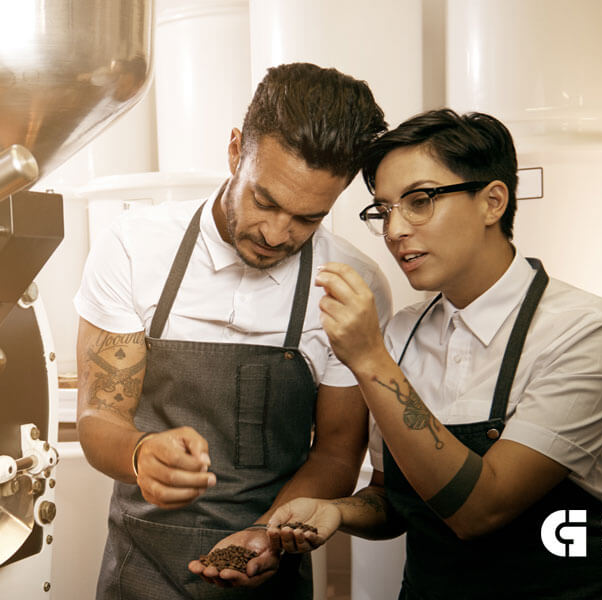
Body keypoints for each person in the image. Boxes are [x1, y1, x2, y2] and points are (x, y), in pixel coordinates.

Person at [266, 109, 602, 599]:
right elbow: (392, 498)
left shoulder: (588, 333)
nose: (395, 230)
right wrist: (338, 510)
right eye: (383, 210)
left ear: (493, 201)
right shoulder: (404, 332)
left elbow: (481, 509)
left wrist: (369, 358)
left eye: (420, 201)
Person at [74, 62, 391, 599]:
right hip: (138, 570)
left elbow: (337, 455)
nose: (275, 233)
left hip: (268, 572)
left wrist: (266, 535)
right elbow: (98, 415)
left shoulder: (352, 285)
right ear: (234, 150)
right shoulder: (133, 247)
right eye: (263, 200)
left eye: (307, 218)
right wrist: (140, 454)